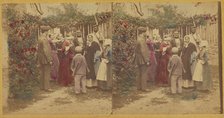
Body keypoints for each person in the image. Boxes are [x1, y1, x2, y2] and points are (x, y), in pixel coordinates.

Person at [133, 27, 150, 91]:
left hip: (138, 58)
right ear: (143, 33)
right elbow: (143, 51)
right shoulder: (142, 40)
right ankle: (144, 88)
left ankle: (138, 87)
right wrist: (147, 60)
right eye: (145, 32)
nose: (146, 33)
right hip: (142, 59)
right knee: (144, 73)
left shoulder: (138, 38)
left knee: (139, 73)